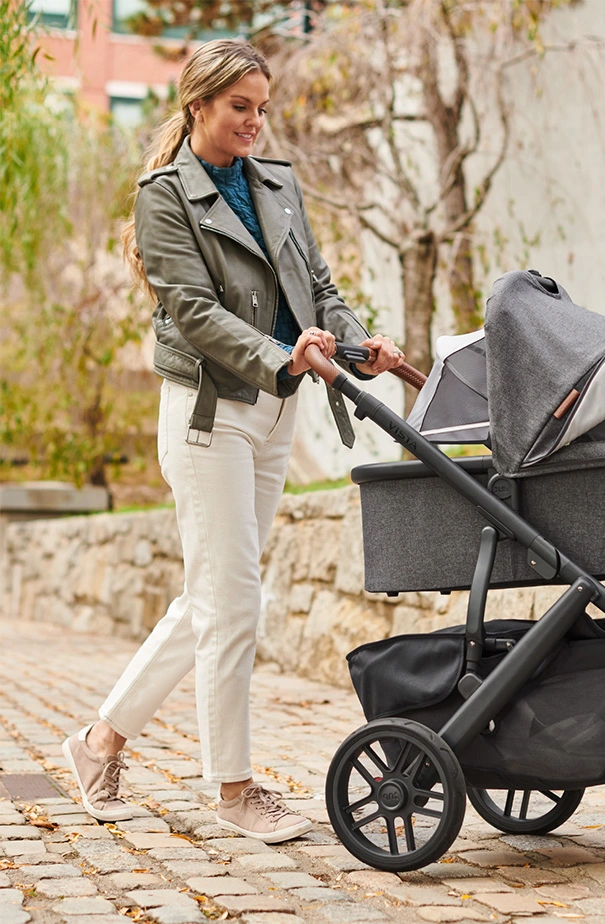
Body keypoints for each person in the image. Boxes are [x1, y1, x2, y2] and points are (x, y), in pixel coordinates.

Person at [61, 38, 403, 844]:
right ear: (199, 106)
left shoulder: (278, 184)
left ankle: (99, 740)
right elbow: (192, 310)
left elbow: (317, 287)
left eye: (260, 107)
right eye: (238, 107)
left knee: (218, 597)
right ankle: (234, 788)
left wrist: (358, 345)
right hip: (210, 412)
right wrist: (282, 357)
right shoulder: (165, 195)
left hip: (278, 412)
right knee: (233, 605)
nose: (254, 122)